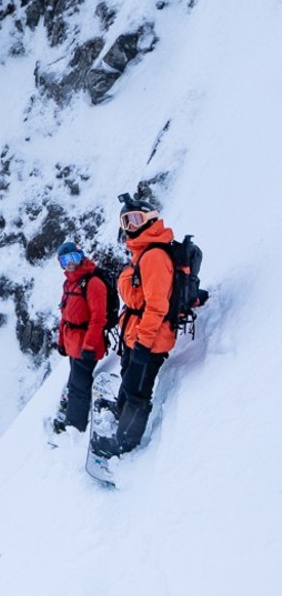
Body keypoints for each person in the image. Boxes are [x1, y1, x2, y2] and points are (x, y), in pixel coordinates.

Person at [113, 193, 176, 453]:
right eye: (126, 222)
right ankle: (120, 423)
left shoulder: (153, 257)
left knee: (138, 392)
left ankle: (126, 445)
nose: (130, 227)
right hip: (137, 335)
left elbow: (157, 305)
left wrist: (143, 343)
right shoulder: (143, 254)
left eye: (135, 219)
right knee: (130, 384)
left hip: (148, 339)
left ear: (151, 219)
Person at [52, 241, 110, 433]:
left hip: (86, 343)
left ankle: (75, 427)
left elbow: (98, 318)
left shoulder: (93, 283)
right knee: (75, 381)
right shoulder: (69, 283)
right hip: (73, 343)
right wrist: (62, 342)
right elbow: (65, 315)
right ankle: (72, 419)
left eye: (74, 258)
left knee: (79, 386)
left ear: (81, 257)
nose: (70, 263)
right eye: (65, 260)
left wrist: (89, 346)